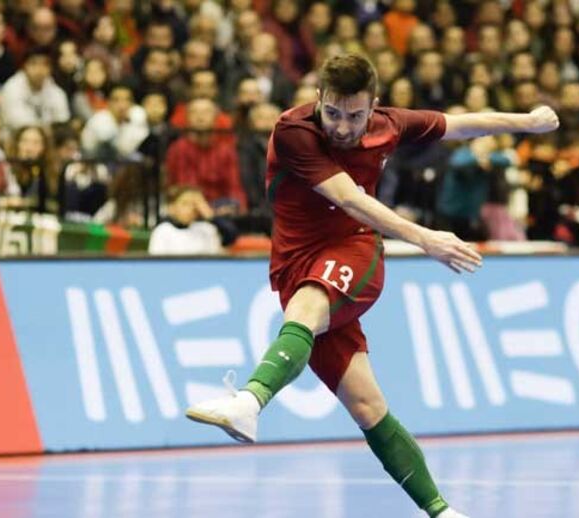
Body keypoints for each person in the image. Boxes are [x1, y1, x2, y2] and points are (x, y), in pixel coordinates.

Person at [185, 54, 560, 518]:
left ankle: (250, 399)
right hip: (294, 263)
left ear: (373, 106)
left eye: (355, 115)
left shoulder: (389, 124)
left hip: (353, 250)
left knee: (308, 307)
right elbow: (347, 196)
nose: (342, 127)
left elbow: (459, 125)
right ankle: (442, 512)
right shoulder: (294, 131)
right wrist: (425, 238)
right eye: (333, 113)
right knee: (366, 404)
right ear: (318, 99)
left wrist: (527, 121)